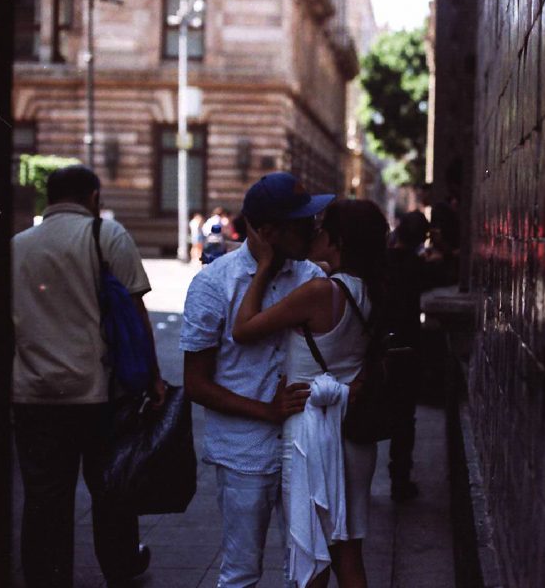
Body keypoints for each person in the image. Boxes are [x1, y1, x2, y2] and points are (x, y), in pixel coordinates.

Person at [11, 164, 165, 588]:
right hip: (98, 391)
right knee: (111, 487)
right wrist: (152, 377)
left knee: (44, 496)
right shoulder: (106, 236)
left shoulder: (16, 246)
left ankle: (47, 575)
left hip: (32, 393)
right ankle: (120, 566)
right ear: (94, 196)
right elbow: (136, 315)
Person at [180, 172, 334, 588]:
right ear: (267, 232)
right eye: (303, 223)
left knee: (308, 568)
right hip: (243, 452)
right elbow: (196, 383)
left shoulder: (311, 279)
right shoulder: (214, 284)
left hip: (304, 445)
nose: (314, 228)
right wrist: (265, 411)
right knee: (241, 571)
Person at [232, 199, 389, 588]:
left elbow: (244, 328)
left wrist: (265, 267)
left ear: (338, 241)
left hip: (310, 434)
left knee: (311, 551)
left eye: (321, 229)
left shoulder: (320, 292)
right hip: (352, 436)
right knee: (348, 552)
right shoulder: (371, 289)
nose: (314, 234)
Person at [381, 211, 430, 502]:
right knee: (404, 418)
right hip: (408, 349)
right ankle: (400, 479)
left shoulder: (382, 262)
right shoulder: (419, 267)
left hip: (380, 347)